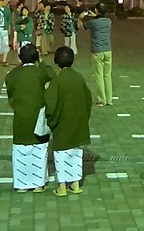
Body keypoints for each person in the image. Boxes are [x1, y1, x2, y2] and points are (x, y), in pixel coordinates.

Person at [5, 43, 54, 192]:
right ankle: (38, 183)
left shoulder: (12, 74)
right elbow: (52, 75)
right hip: (38, 117)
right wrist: (42, 62)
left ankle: (21, 184)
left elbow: (10, 92)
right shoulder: (40, 73)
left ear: (20, 58)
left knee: (20, 150)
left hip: (20, 117)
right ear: (36, 57)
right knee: (38, 150)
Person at [46, 46, 92, 197]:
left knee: (61, 155)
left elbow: (51, 105)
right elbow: (88, 99)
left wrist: (50, 121)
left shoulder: (57, 80)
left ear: (56, 61)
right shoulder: (79, 77)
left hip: (63, 124)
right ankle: (75, 183)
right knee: (76, 154)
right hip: (78, 123)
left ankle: (62, 187)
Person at [86, 2, 113, 107]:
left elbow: (82, 25)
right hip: (108, 50)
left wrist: (82, 16)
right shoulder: (108, 21)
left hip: (97, 50)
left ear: (96, 10)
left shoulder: (93, 22)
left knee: (99, 75)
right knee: (107, 75)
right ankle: (109, 99)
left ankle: (101, 99)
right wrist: (96, 15)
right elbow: (100, 19)